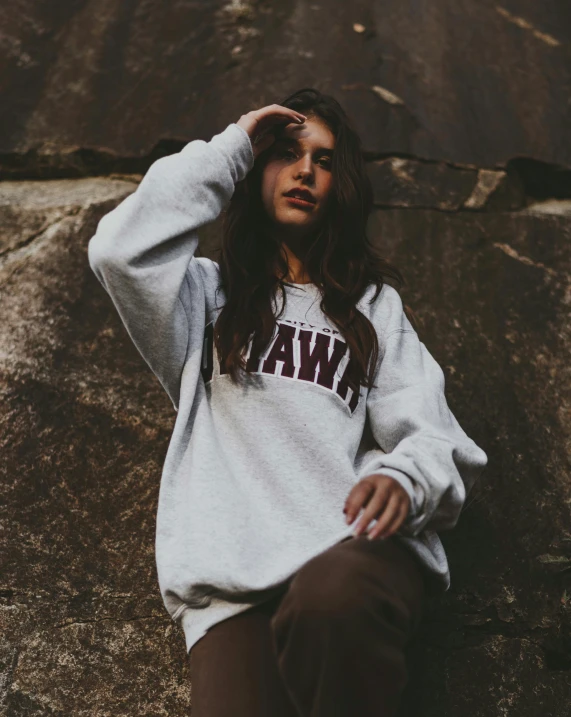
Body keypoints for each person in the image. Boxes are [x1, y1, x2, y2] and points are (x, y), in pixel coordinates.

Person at [88, 87, 488, 716]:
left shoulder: (372, 308)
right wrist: (233, 148)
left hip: (352, 560)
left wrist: (403, 480)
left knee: (330, 598)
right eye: (286, 154)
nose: (305, 171)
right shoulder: (206, 300)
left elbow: (436, 439)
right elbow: (118, 251)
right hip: (234, 593)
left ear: (342, 184)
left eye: (325, 160)